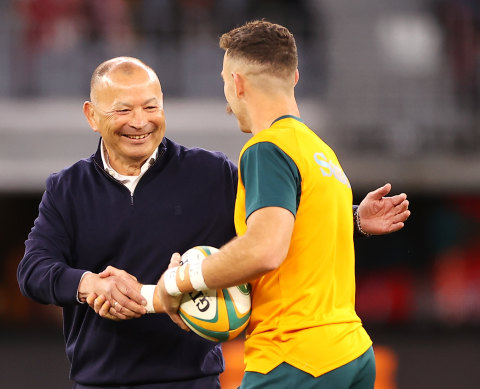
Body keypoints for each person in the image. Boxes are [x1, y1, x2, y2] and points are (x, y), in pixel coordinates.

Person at [18, 56, 409, 388]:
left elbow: (276, 233)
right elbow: (33, 271)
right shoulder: (66, 188)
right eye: (123, 109)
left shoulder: (214, 173)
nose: (140, 121)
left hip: (194, 380)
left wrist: (352, 219)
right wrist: (87, 284)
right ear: (91, 115)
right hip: (100, 382)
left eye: (151, 106)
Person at [155, 21, 411, 389]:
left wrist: (180, 282)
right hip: (351, 353)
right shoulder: (321, 152)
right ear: (294, 76)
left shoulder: (266, 149)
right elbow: (303, 234)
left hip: (296, 357)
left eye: (225, 80)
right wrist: (351, 218)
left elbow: (265, 249)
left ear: (238, 83)